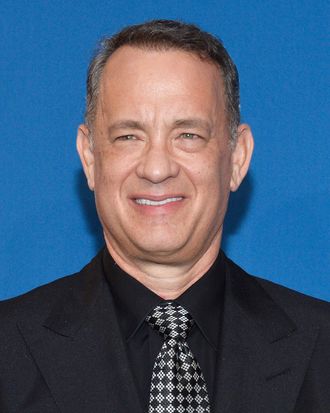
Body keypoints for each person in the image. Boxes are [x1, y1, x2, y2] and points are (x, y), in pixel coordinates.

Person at [0, 19, 329, 413]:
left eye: (187, 134)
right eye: (128, 136)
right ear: (89, 158)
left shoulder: (322, 349)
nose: (156, 169)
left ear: (237, 158)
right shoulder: (7, 353)